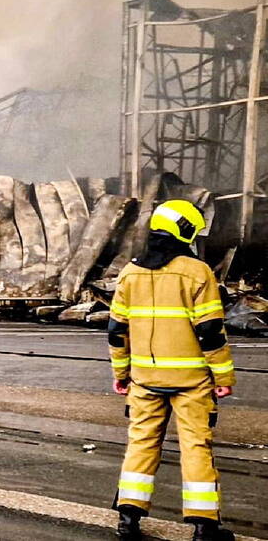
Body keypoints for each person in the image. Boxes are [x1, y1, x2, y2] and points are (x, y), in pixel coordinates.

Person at [108, 199, 236, 541]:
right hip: (191, 381)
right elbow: (210, 332)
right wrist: (222, 377)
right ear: (184, 232)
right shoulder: (198, 272)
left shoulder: (130, 273)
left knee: (141, 443)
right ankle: (204, 527)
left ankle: (128, 520)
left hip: (145, 380)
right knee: (196, 446)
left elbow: (116, 332)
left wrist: (121, 374)